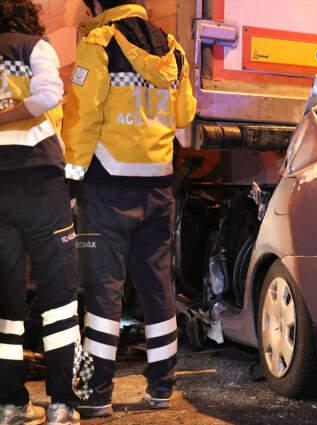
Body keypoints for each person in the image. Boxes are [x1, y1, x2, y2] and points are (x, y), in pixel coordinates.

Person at [62, 0, 196, 418]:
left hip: (107, 188)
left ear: (99, 4)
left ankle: (96, 393)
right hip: (158, 186)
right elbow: (184, 113)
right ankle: (162, 386)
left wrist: (71, 175)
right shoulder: (171, 49)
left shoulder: (99, 43)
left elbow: (83, 115)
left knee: (104, 291)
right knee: (158, 289)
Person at [0, 1, 85, 424]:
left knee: (6, 300)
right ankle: (62, 403)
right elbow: (50, 95)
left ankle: (11, 404)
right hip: (38, 180)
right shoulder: (35, 47)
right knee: (58, 295)